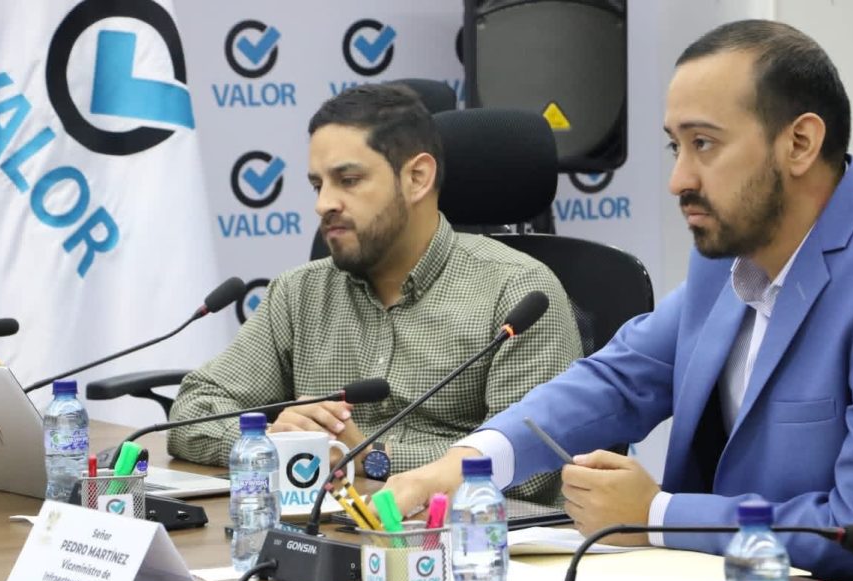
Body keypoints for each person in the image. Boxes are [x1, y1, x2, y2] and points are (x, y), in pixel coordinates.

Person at [385, 20, 853, 581]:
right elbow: (620, 379)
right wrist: (468, 461)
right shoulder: (731, 252)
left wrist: (657, 514)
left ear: (800, 143)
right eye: (676, 146)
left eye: (705, 144)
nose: (679, 180)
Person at [167, 84, 580, 502]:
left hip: (465, 533)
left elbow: (533, 465)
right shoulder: (298, 293)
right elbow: (191, 412)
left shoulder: (517, 291)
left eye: (348, 180)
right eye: (317, 185)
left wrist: (370, 456)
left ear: (417, 178)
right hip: (322, 523)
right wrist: (267, 440)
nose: (324, 204)